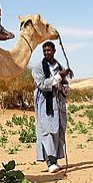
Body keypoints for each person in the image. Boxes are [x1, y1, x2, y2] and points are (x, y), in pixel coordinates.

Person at [32, 41, 71, 173]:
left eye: (49, 50)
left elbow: (66, 86)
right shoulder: (38, 67)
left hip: (58, 104)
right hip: (45, 104)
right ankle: (50, 162)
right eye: (45, 51)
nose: (47, 53)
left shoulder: (58, 66)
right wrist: (60, 76)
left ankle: (54, 160)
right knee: (46, 131)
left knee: (58, 131)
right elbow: (43, 84)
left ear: (54, 51)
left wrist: (62, 85)